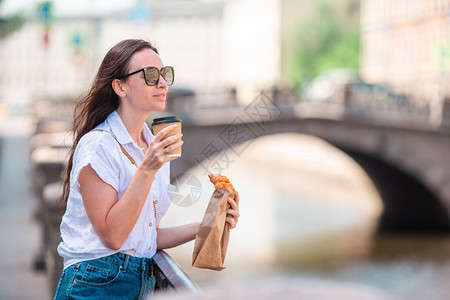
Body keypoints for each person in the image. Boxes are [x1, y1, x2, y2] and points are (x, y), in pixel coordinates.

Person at [54, 39, 240, 299]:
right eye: (150, 76)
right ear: (120, 86)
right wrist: (148, 168)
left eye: (165, 74)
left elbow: (143, 237)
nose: (162, 83)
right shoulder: (99, 145)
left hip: (140, 282)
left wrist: (208, 225)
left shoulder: (152, 146)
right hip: (95, 283)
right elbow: (114, 237)